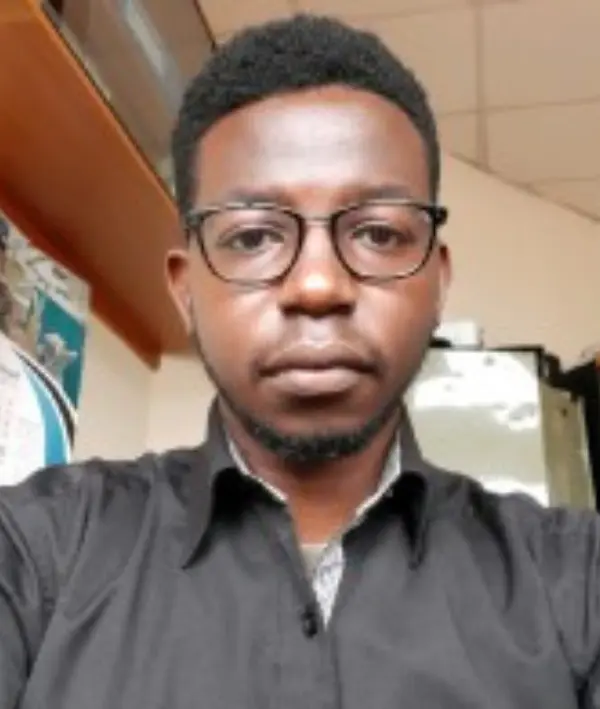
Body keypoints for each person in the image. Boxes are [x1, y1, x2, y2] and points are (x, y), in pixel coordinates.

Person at [0, 14, 598, 708]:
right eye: (253, 237)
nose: (317, 285)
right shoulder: (36, 550)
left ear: (436, 282)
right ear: (186, 290)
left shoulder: (576, 580)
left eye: (378, 233)